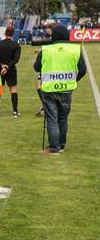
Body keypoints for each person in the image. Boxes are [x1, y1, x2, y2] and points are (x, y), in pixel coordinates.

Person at [34, 24, 87, 154]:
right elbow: (83, 70)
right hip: (67, 89)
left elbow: (36, 67)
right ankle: (61, 145)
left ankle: (54, 147)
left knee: (52, 118)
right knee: (63, 118)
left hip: (49, 89)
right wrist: (73, 80)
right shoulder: (75, 49)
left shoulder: (46, 50)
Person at [0, 27, 22, 117]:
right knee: (13, 89)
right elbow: (16, 59)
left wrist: (1, 65)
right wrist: (7, 66)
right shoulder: (16, 46)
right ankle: (15, 111)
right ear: (13, 34)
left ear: (5, 33)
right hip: (11, 69)